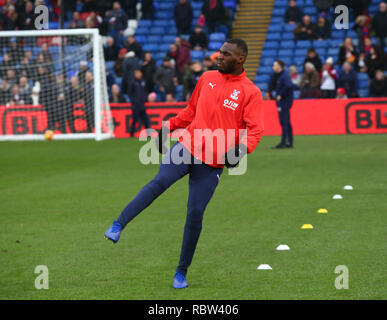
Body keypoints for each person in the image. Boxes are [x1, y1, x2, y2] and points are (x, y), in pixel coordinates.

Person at [104, 38, 264, 289]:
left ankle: (181, 272)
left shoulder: (250, 92)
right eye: (219, 53)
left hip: (212, 163)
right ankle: (118, 225)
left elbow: (254, 131)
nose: (218, 57)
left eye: (225, 54)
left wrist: (242, 150)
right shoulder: (206, 78)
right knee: (160, 182)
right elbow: (190, 111)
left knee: (195, 212)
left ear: (240, 59)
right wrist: (167, 128)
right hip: (186, 147)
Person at [271, 60, 294, 149]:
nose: (273, 67)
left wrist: (281, 94)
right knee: (286, 122)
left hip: (285, 102)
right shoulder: (281, 76)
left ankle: (283, 142)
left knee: (284, 122)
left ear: (279, 66)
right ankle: (289, 142)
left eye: (274, 65)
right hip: (283, 102)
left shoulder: (284, 76)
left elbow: (288, 86)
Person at [127, 69, 150, 137]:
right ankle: (131, 134)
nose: (140, 74)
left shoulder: (143, 81)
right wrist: (134, 101)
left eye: (140, 73)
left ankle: (148, 134)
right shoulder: (132, 82)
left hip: (142, 105)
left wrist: (144, 98)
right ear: (135, 74)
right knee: (134, 120)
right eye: (138, 73)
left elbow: (145, 91)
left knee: (145, 120)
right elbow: (129, 93)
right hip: (136, 105)